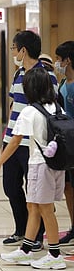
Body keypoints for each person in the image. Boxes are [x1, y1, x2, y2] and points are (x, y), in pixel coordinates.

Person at [0, 67, 66, 270]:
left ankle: (55, 254)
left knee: (46, 210)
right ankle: (26, 250)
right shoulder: (57, 107)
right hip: (56, 165)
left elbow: (14, 142)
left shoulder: (29, 112)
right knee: (33, 206)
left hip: (40, 165)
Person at [0, 30, 58, 250]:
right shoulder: (18, 74)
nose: (13, 52)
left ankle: (37, 236)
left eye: (14, 48)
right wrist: (6, 134)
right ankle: (21, 229)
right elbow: (14, 105)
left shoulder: (46, 75)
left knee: (36, 191)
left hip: (33, 143)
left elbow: (50, 108)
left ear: (23, 50)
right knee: (10, 186)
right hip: (12, 139)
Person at [54, 41, 74, 246]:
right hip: (67, 142)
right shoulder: (62, 84)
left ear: (67, 60)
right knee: (68, 187)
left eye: (59, 59)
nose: (57, 63)